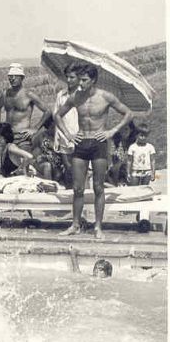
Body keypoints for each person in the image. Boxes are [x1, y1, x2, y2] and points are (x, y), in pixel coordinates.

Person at [55, 63, 133, 239]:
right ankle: (75, 225)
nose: (80, 83)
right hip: (81, 143)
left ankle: (98, 227)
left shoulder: (105, 97)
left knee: (98, 187)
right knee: (77, 187)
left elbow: (128, 114)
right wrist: (68, 135)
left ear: (93, 80)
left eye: (84, 80)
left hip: (98, 144)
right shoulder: (75, 97)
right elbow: (57, 115)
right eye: (80, 79)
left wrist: (112, 131)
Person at [0, 63, 49, 154]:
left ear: (22, 78)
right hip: (7, 135)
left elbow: (48, 111)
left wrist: (35, 128)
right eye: (10, 76)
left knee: (23, 164)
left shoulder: (29, 94)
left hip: (23, 136)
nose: (12, 78)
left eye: (16, 76)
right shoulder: (5, 94)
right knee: (7, 165)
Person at [52, 63, 80, 189]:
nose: (69, 80)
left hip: (80, 136)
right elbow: (56, 117)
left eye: (72, 77)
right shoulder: (61, 95)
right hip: (64, 136)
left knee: (80, 170)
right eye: (67, 77)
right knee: (68, 169)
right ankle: (70, 201)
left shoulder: (83, 95)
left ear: (79, 78)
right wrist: (58, 137)